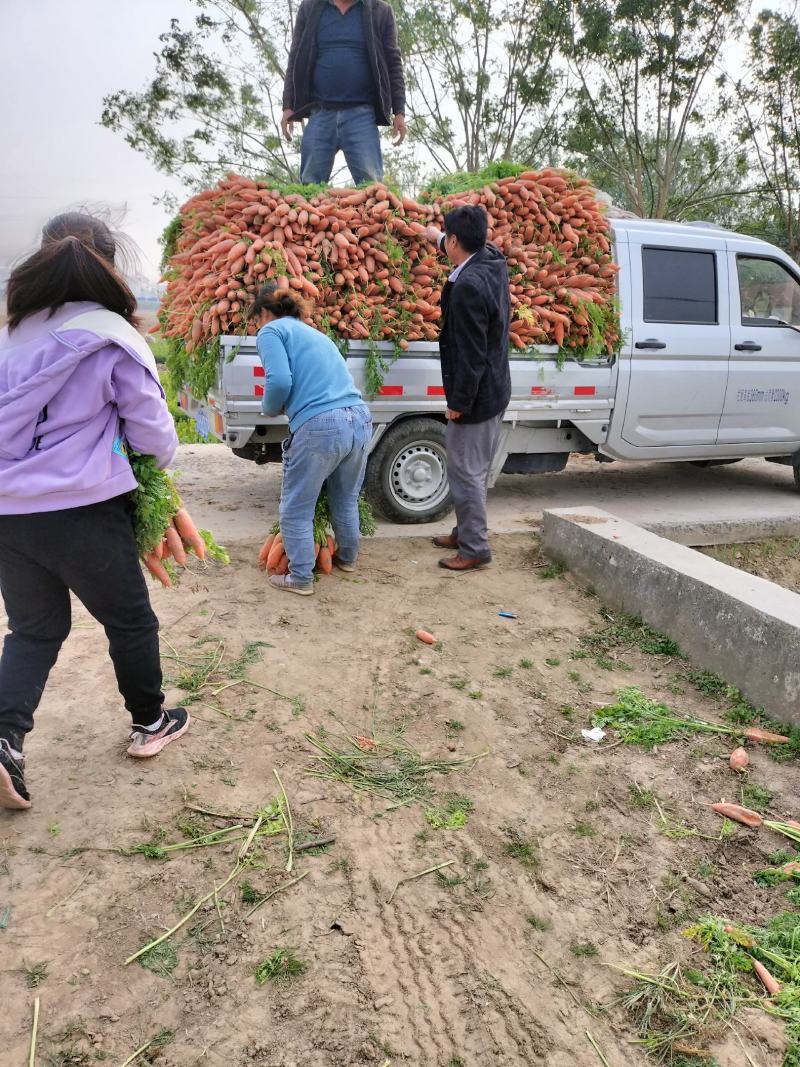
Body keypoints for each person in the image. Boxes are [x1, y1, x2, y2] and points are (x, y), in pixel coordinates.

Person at [0, 213, 194, 811]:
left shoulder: (12, 332)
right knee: (130, 620)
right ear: (107, 264)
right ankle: (150, 722)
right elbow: (156, 438)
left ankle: (4, 738)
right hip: (83, 509)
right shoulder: (112, 334)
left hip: (8, 514)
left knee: (34, 629)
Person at [251, 284, 372, 596]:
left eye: (256, 319)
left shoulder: (271, 331)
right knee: (344, 498)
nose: (257, 326)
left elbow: (278, 380)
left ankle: (300, 578)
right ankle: (348, 559)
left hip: (322, 425)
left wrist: (268, 409)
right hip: (358, 418)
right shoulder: (315, 333)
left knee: (296, 509)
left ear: (264, 313)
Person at [425, 205, 512, 572]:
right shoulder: (491, 260)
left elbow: (473, 355)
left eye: (448, 238)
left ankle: (475, 547)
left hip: (478, 395)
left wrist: (459, 402)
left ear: (457, 240)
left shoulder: (469, 288)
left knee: (465, 469)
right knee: (468, 466)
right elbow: (461, 244)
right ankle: (465, 531)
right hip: (494, 386)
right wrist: (434, 237)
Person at [281, 0, 407, 185]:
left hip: (362, 116)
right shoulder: (310, 8)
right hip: (320, 114)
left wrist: (399, 111)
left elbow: (393, 63)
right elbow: (295, 58)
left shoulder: (380, 11)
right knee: (310, 187)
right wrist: (288, 106)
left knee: (373, 189)